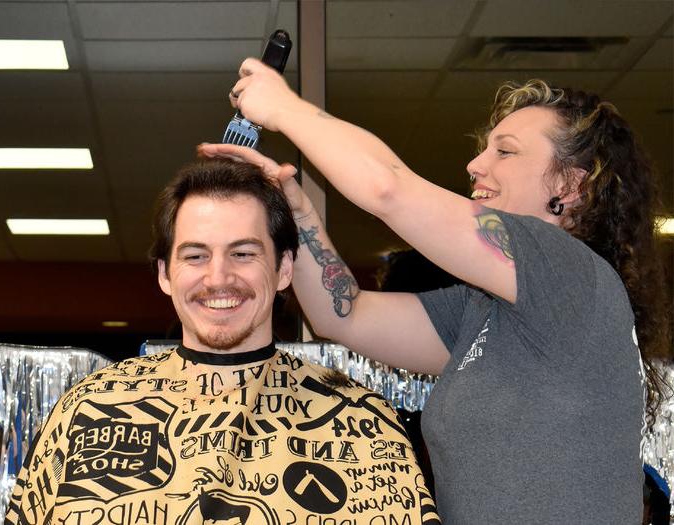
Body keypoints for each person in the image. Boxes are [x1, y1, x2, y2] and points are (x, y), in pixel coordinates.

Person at [197, 58, 671, 523]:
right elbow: (343, 314)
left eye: (504, 151)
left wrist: (283, 107)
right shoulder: (484, 311)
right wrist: (296, 214)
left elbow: (387, 189)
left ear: (569, 184)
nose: (475, 164)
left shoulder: (568, 273)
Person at [4, 159, 440, 524]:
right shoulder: (87, 409)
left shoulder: (362, 424)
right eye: (195, 256)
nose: (218, 278)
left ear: (284, 268)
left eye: (243, 253)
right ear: (164, 274)